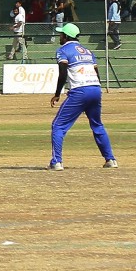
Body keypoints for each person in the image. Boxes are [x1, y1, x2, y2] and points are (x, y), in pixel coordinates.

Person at [47, 24, 116, 170]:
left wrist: (57, 94)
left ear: (66, 36)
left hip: (80, 90)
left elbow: (63, 74)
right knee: (97, 125)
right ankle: (110, 159)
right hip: (95, 89)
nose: (60, 36)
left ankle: (56, 162)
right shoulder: (88, 51)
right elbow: (97, 74)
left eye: (61, 34)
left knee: (58, 125)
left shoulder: (63, 50)